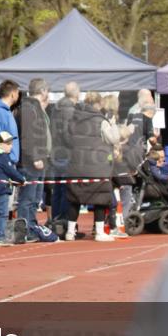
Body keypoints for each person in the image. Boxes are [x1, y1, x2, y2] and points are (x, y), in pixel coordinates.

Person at [64, 92, 114, 242]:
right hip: (96, 166)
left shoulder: (73, 119)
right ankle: (99, 232)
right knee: (100, 198)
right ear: (98, 104)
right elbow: (112, 138)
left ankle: (70, 232)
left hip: (76, 165)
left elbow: (67, 140)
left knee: (74, 199)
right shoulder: (101, 120)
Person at [17, 78, 51, 236]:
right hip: (30, 162)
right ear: (43, 91)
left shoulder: (36, 108)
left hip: (39, 160)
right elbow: (28, 136)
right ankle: (24, 229)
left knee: (35, 199)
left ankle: (31, 227)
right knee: (28, 198)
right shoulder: (28, 108)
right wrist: (36, 156)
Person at [0, 131, 26, 246]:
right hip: (2, 189)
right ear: (0, 144)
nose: (11, 146)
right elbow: (10, 171)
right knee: (2, 213)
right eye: (8, 143)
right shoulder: (2, 157)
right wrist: (21, 179)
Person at [49, 81, 79, 222]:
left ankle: (56, 219)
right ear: (76, 92)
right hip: (65, 152)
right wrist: (75, 146)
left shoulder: (57, 107)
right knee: (66, 189)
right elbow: (68, 132)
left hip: (57, 151)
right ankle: (63, 221)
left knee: (59, 189)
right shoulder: (68, 108)